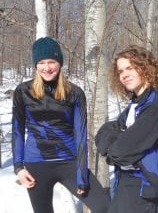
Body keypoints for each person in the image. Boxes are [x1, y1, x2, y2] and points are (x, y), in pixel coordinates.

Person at [12, 36, 110, 213]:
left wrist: (81, 175)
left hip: (69, 162)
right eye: (41, 62)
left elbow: (81, 135)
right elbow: (17, 131)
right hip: (36, 164)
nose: (47, 67)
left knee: (105, 206)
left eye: (52, 61)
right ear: (35, 65)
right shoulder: (23, 92)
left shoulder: (75, 93)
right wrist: (18, 167)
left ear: (60, 63)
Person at [95, 45, 158, 213]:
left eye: (130, 68)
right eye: (120, 71)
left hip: (143, 186)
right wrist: (116, 141)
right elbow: (103, 133)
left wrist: (114, 146)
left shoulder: (156, 106)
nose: (124, 75)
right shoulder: (135, 104)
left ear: (145, 67)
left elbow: (119, 151)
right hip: (125, 182)